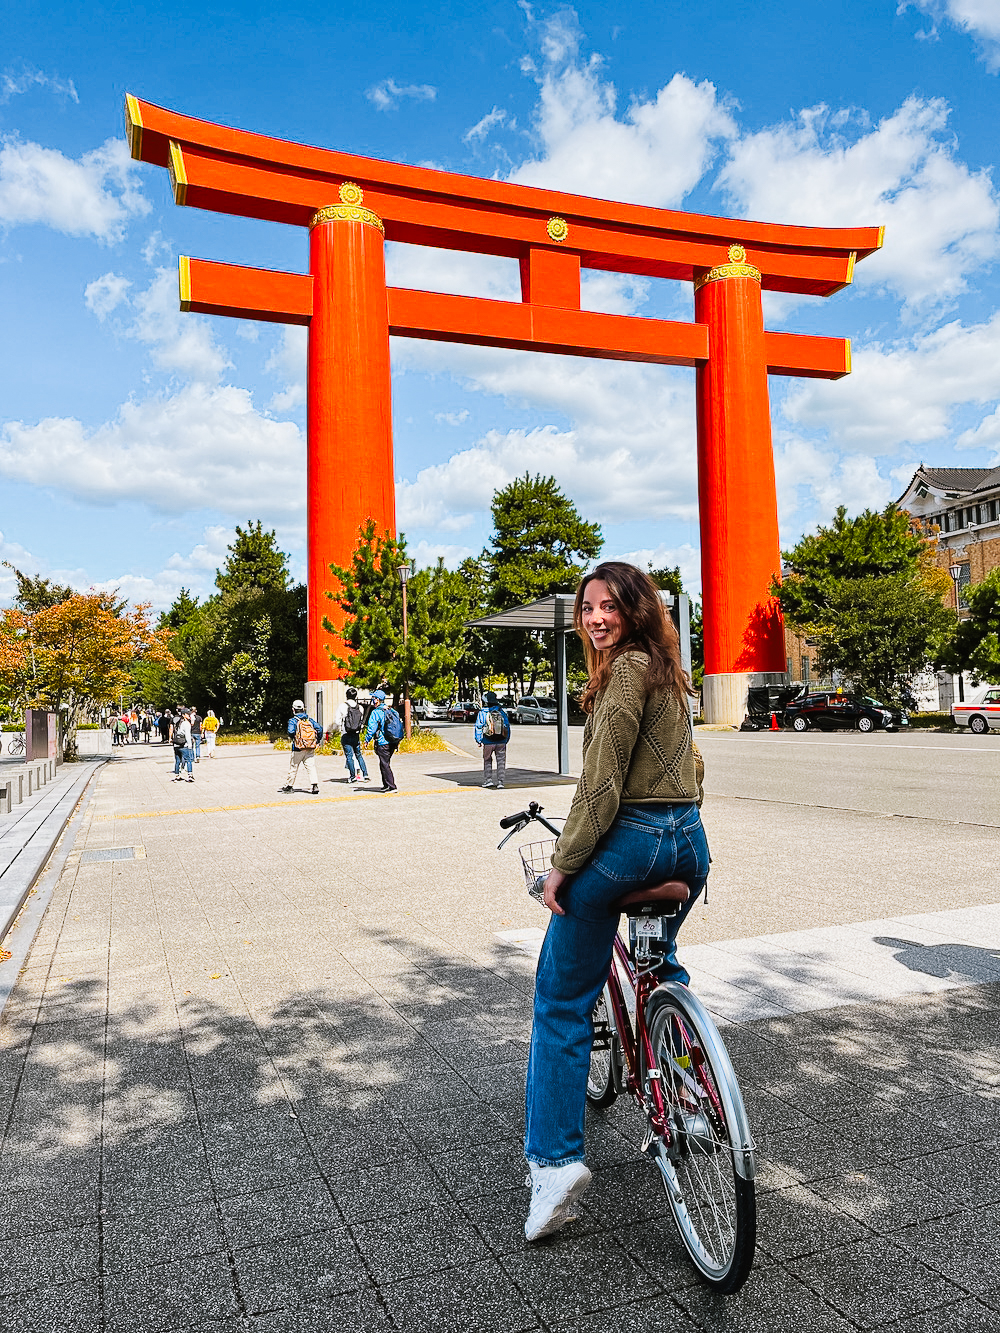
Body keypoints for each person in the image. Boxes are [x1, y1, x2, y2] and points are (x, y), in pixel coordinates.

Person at [523, 562, 706, 1243]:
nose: (596, 617)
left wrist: (562, 869)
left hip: (631, 844)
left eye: (609, 606)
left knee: (561, 996)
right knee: (662, 963)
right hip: (689, 841)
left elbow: (600, 786)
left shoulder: (625, 671)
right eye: (588, 608)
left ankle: (553, 1165)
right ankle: (688, 1092)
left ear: (633, 609)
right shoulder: (667, 669)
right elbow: (694, 767)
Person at [363, 690, 400, 792]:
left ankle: (392, 786)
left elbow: (371, 728)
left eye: (373, 698)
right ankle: (386, 785)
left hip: (383, 742)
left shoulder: (376, 712)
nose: (372, 700)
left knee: (384, 764)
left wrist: (367, 740)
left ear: (377, 700)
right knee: (384, 763)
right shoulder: (392, 710)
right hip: (393, 741)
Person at [283, 698, 321, 794]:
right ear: (304, 709)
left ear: (293, 709)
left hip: (298, 748)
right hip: (310, 747)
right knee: (311, 766)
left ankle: (289, 786)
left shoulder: (293, 720)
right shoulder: (309, 720)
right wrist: (317, 740)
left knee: (294, 766)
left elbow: (291, 731)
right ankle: (314, 785)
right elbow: (320, 729)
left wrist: (294, 738)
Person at [474, 691, 511, 788]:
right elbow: (507, 726)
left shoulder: (483, 712)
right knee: (501, 761)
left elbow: (478, 727)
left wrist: (479, 740)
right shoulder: (501, 711)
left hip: (488, 741)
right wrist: (505, 739)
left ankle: (488, 780)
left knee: (487, 760)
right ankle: (500, 782)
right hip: (501, 741)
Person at [334, 686, 370, 785]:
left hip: (346, 734)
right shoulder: (360, 707)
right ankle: (365, 774)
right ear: (356, 696)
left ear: (346, 696)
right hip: (356, 734)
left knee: (349, 756)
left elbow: (337, 721)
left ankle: (352, 776)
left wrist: (342, 725)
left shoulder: (342, 706)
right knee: (359, 755)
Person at [172, 709, 194, 782]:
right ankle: (190, 775)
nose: (189, 716)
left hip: (176, 744)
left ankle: (177, 775)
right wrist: (190, 744)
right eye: (188, 714)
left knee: (178, 760)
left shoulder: (177, 723)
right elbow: (187, 735)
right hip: (183, 744)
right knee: (188, 760)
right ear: (184, 715)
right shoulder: (186, 723)